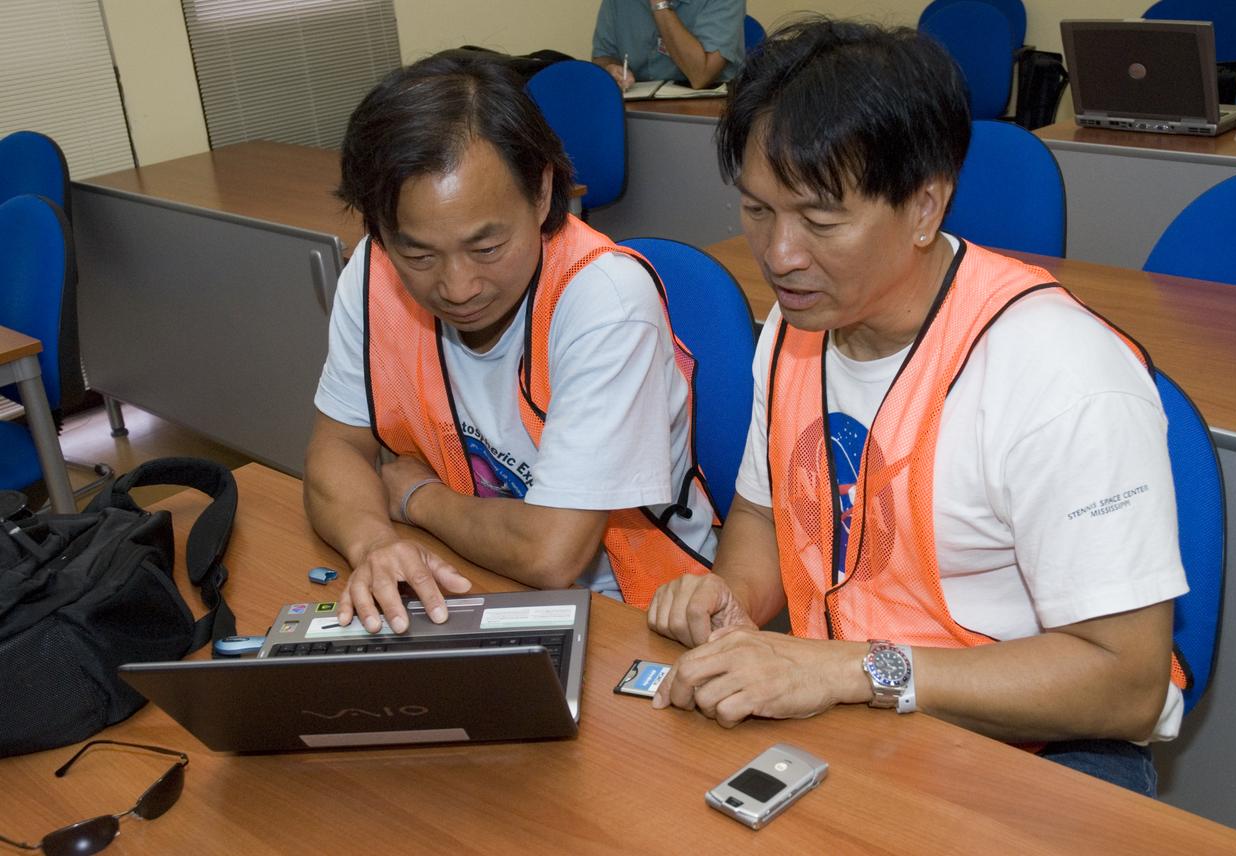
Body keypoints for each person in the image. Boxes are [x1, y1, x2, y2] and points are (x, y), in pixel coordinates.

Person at [646, 19, 1189, 796]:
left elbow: (1126, 682)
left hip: (1035, 753)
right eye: (758, 211)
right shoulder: (798, 325)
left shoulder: (1060, 373)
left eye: (821, 219)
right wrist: (726, 602)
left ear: (926, 205)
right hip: (852, 716)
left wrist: (853, 669)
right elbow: (766, 517)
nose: (779, 254)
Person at [305, 55, 717, 636]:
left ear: (544, 191)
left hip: (634, 609)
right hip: (472, 574)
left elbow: (552, 554)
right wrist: (374, 544)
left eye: (487, 247)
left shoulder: (605, 299)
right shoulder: (373, 274)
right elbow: (336, 450)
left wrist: (417, 498)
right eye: (419, 254)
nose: (458, 286)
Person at [592, 0, 745, 91]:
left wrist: (659, 4)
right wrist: (611, 70)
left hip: (707, 116)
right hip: (636, 114)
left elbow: (701, 75)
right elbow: (603, 57)